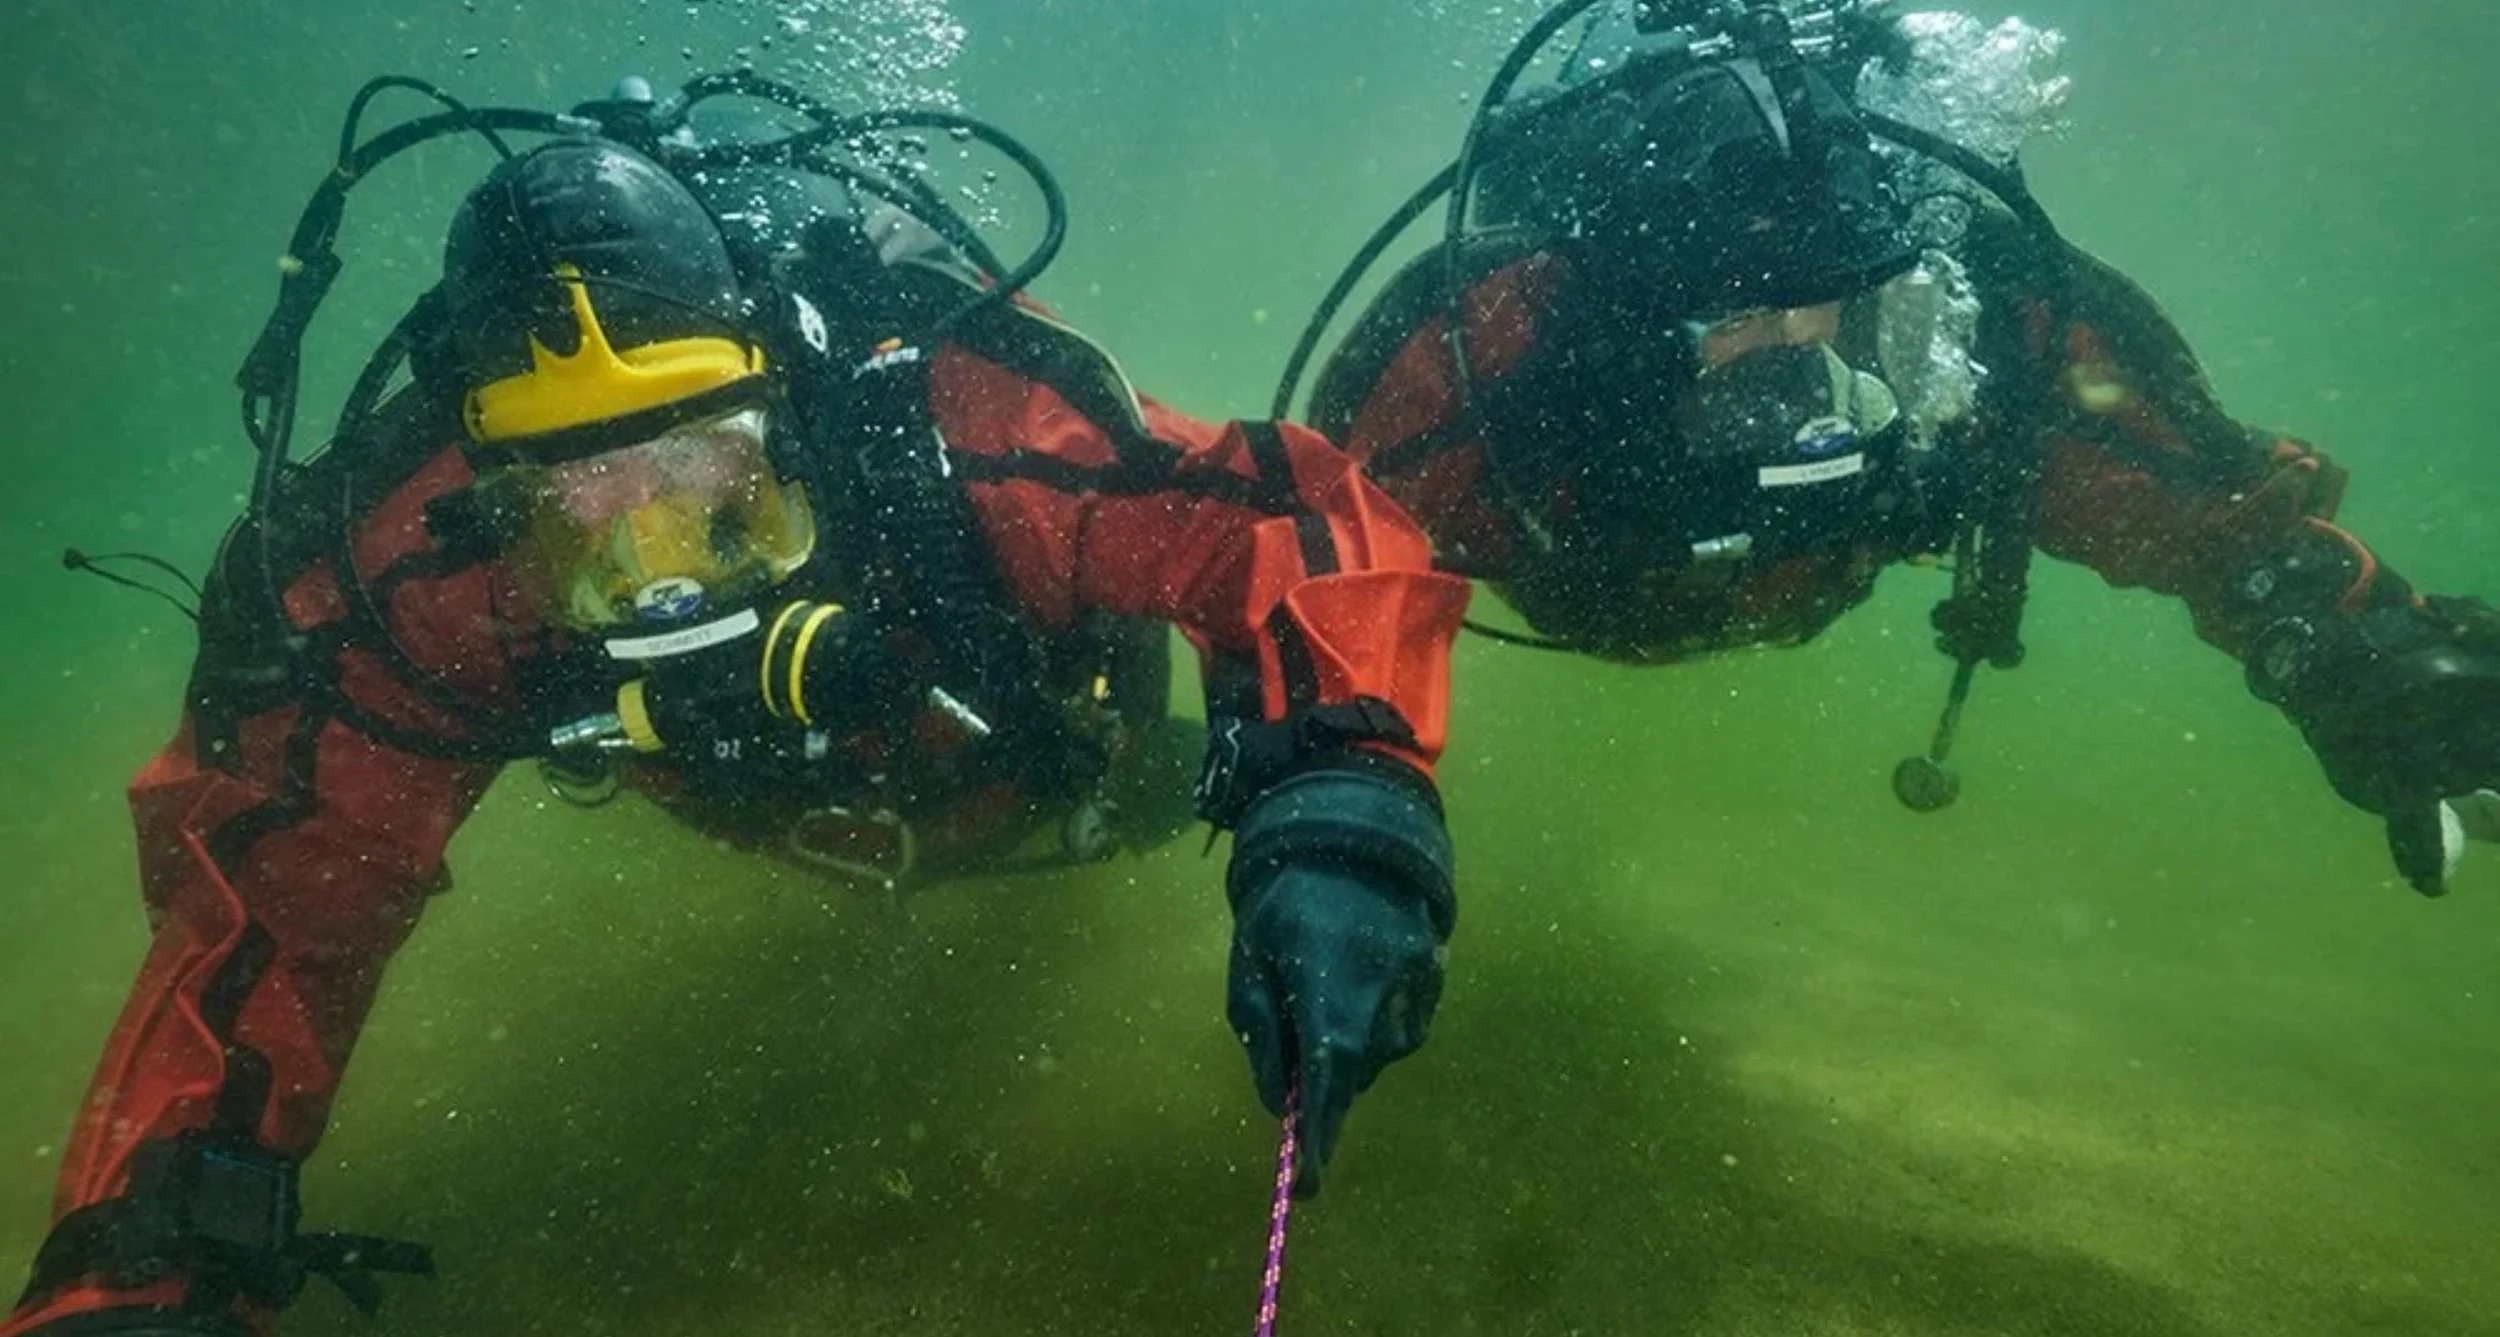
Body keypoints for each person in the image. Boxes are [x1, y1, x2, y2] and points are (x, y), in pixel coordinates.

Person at [4, 73, 1468, 1337]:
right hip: (781, 818)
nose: (655, 576)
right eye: (578, 513)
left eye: (706, 483)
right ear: (491, 498)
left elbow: (1273, 521)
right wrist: (146, 1263)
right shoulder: (424, 568)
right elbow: (273, 908)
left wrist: (1342, 793)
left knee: (1145, 798)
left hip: (1057, 753)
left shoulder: (954, 421)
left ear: (792, 410)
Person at [1293, 0, 2500, 892]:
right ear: (1628, 300)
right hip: (1577, 576)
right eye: (1738, 316)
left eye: (1845, 309)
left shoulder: (1986, 324)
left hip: (1760, 580)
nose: (1801, 359)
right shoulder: (1495, 340)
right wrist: (1337, 787)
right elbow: (1316, 564)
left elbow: (2209, 518)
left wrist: (2354, 653)